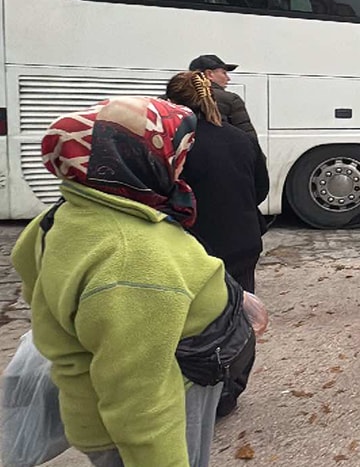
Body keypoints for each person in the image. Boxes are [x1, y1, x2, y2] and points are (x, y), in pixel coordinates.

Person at [10, 97, 238, 466]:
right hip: (144, 432)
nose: (182, 160)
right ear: (132, 158)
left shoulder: (63, 217)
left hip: (95, 414)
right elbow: (140, 398)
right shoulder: (133, 255)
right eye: (176, 149)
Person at [165, 72, 269, 419]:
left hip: (193, 247)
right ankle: (231, 391)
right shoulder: (241, 139)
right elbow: (261, 189)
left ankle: (196, 390)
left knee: (194, 323)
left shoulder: (173, 145)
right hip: (242, 239)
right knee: (239, 317)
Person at [189, 54, 256, 136]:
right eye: (224, 73)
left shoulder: (178, 96)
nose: (228, 78)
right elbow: (248, 136)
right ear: (209, 74)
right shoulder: (231, 99)